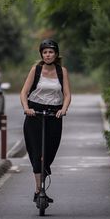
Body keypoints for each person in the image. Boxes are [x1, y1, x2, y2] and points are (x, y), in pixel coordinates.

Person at [19, 38, 72, 203]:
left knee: (49, 151)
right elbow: (23, 93)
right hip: (34, 113)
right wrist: (27, 108)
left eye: (51, 52)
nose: (48, 55)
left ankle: (43, 178)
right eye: (45, 52)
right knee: (37, 152)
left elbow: (67, 94)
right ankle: (38, 190)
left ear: (56, 54)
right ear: (41, 55)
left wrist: (64, 109)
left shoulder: (61, 71)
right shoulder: (35, 70)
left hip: (54, 114)